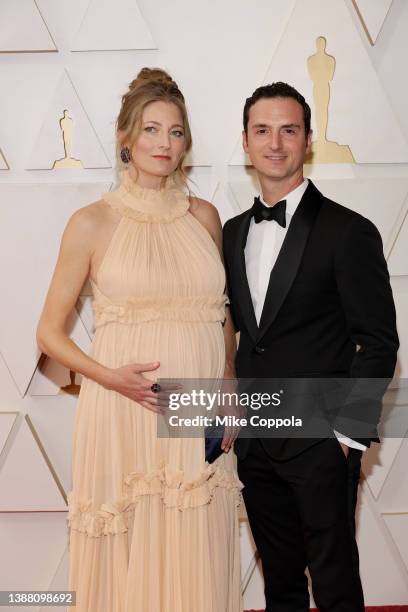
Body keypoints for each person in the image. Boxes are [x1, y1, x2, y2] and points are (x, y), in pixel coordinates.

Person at [37, 68, 243, 612]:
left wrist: (228, 386)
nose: (164, 143)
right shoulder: (92, 223)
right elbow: (48, 334)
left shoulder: (204, 217)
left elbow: (221, 314)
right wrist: (109, 378)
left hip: (196, 409)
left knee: (195, 542)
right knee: (131, 544)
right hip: (123, 409)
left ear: (186, 144)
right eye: (151, 130)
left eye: (175, 133)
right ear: (126, 138)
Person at [223, 82, 399, 611]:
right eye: (263, 131)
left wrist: (346, 434)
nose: (275, 143)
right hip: (256, 441)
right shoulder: (231, 233)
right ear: (246, 141)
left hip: (322, 444)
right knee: (280, 586)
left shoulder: (349, 231)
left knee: (336, 583)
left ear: (308, 140)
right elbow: (240, 335)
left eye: (288, 130)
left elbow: (380, 342)